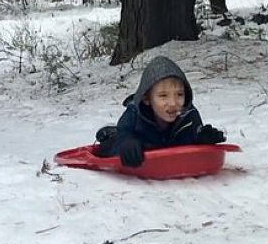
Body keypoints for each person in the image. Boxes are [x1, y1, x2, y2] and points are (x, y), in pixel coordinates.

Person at [94, 55, 225, 167]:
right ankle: (110, 133)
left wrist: (203, 138)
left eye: (179, 94)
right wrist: (126, 143)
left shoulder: (189, 115)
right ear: (147, 98)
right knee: (112, 144)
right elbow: (122, 138)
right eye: (163, 96)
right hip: (141, 141)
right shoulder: (133, 115)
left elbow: (193, 137)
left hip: (168, 145)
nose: (173, 103)